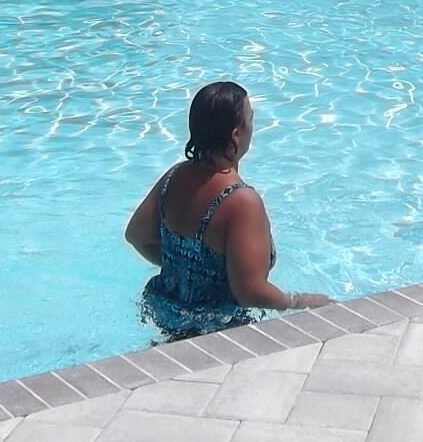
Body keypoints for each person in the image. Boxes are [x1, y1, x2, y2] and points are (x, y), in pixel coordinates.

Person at [127, 82, 330, 338]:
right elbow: (250, 292)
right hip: (217, 332)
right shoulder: (242, 201)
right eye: (251, 119)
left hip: (166, 313)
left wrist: (181, 269)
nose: (253, 127)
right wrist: (300, 301)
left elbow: (136, 236)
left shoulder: (174, 177)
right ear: (236, 134)